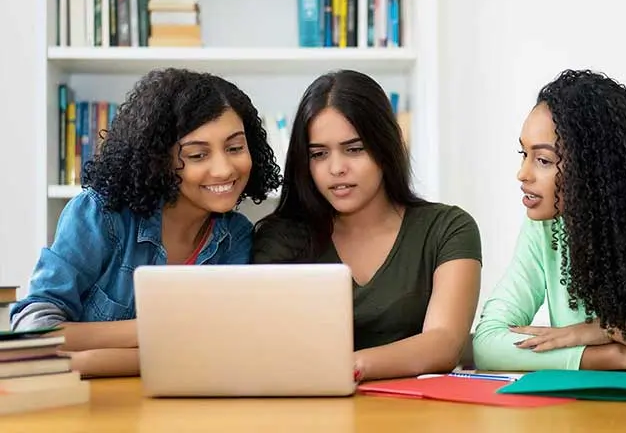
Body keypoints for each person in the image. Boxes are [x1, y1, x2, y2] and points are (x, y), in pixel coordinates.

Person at [11, 68, 282, 377]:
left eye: (235, 148)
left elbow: (217, 350)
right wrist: (152, 330)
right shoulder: (101, 214)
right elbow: (33, 329)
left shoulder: (235, 236)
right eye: (197, 155)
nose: (223, 170)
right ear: (159, 159)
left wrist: (84, 361)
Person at [473, 69, 626, 375]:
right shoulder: (544, 228)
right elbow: (487, 344)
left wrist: (619, 331)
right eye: (524, 154)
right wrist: (615, 357)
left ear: (591, 169)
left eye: (544, 160)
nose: (522, 174)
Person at [252, 69, 482, 382]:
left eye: (354, 149)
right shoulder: (280, 237)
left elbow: (444, 343)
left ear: (385, 147)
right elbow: (265, 346)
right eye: (319, 154)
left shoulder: (448, 228)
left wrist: (352, 366)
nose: (336, 168)